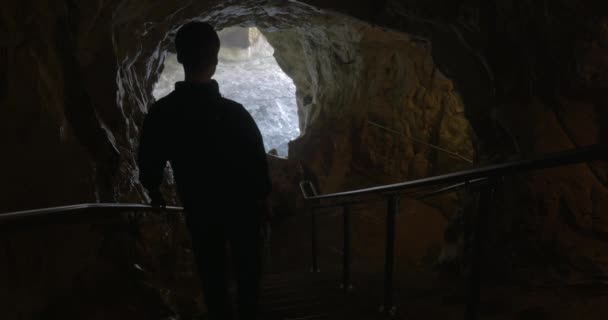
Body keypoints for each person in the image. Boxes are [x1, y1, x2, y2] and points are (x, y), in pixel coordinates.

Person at [137, 21, 271, 320]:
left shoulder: (163, 114)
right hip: (243, 209)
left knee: (213, 276)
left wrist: (154, 191)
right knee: (248, 271)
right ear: (215, 59)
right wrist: (263, 199)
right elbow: (258, 167)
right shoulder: (236, 114)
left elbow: (149, 164)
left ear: (180, 58)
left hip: (200, 210)